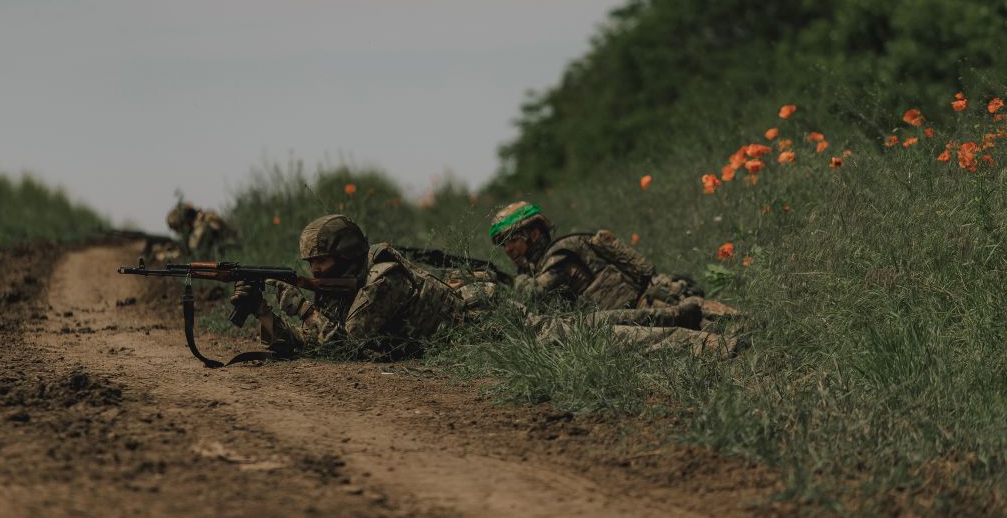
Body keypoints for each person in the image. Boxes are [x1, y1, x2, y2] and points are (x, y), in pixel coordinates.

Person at [230, 214, 466, 359]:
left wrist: (303, 308)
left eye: (321, 260)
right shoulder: (341, 281)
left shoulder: (384, 280)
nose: (315, 269)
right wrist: (261, 311)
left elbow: (346, 348)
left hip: (466, 329)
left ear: (346, 255)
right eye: (311, 262)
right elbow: (310, 341)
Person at [488, 201, 733, 330]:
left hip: (656, 304)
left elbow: (535, 296)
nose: (508, 250)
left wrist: (516, 280)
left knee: (737, 330)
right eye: (503, 245)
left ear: (532, 233)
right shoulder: (548, 259)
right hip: (649, 309)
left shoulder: (559, 254)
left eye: (512, 240)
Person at [164, 200, 239, 259]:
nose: (179, 232)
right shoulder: (206, 218)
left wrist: (177, 253)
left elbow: (195, 252)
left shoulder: (201, 227)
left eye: (177, 228)